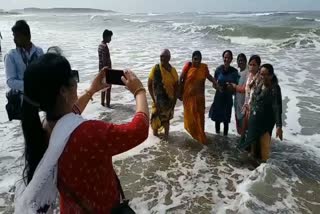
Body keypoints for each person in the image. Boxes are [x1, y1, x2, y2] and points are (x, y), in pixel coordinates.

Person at [15, 53, 149, 213]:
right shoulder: (89, 133)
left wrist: (91, 90)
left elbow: (71, 115)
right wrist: (139, 91)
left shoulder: (45, 128)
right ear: (63, 91)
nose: (75, 80)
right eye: (72, 75)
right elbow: (139, 130)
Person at [238, 64, 283, 162]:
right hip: (254, 121)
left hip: (265, 124)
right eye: (261, 74)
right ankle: (253, 171)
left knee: (264, 151)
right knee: (252, 148)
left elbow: (277, 107)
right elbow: (254, 99)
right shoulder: (259, 83)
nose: (262, 77)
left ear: (271, 75)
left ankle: (264, 172)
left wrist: (279, 126)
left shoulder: (275, 88)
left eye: (265, 75)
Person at [179, 51, 217, 144]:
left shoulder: (203, 68)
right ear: (192, 59)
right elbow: (181, 79)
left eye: (199, 59)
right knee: (190, 119)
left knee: (200, 118)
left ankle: (201, 137)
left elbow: (208, 76)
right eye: (195, 59)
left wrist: (215, 82)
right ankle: (195, 136)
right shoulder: (188, 67)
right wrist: (179, 93)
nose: (197, 61)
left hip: (200, 98)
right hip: (189, 98)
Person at [5, 20, 44, 92]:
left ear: (27, 36)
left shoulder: (39, 52)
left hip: (39, 94)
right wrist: (30, 85)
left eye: (17, 36)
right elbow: (10, 81)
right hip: (21, 97)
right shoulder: (11, 55)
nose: (14, 39)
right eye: (14, 36)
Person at [148, 49, 178, 140]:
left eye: (164, 57)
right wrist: (154, 99)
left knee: (166, 122)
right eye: (161, 56)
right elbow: (149, 84)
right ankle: (155, 143)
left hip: (168, 101)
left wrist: (174, 101)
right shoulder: (156, 69)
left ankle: (166, 143)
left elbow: (176, 87)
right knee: (155, 122)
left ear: (169, 58)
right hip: (157, 101)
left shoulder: (173, 71)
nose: (162, 58)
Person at [209, 50, 239, 136]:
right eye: (225, 57)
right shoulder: (218, 69)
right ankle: (217, 137)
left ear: (231, 59)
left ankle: (225, 139)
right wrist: (218, 87)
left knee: (226, 121)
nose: (226, 59)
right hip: (218, 97)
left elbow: (236, 87)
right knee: (217, 120)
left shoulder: (234, 72)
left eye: (228, 57)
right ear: (223, 58)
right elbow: (213, 84)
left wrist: (230, 87)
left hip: (228, 99)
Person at [229, 53, 248, 135]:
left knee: (244, 124)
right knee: (238, 122)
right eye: (239, 60)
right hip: (237, 100)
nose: (240, 62)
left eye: (242, 60)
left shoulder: (248, 73)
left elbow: (245, 89)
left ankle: (243, 142)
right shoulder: (238, 73)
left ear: (246, 61)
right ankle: (240, 139)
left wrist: (234, 86)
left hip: (244, 101)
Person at [98, 29, 113, 107]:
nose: (110, 39)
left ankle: (102, 104)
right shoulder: (104, 47)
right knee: (108, 88)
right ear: (106, 37)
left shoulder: (100, 45)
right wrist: (107, 71)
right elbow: (104, 60)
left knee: (103, 89)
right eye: (110, 37)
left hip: (101, 70)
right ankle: (108, 105)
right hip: (106, 71)